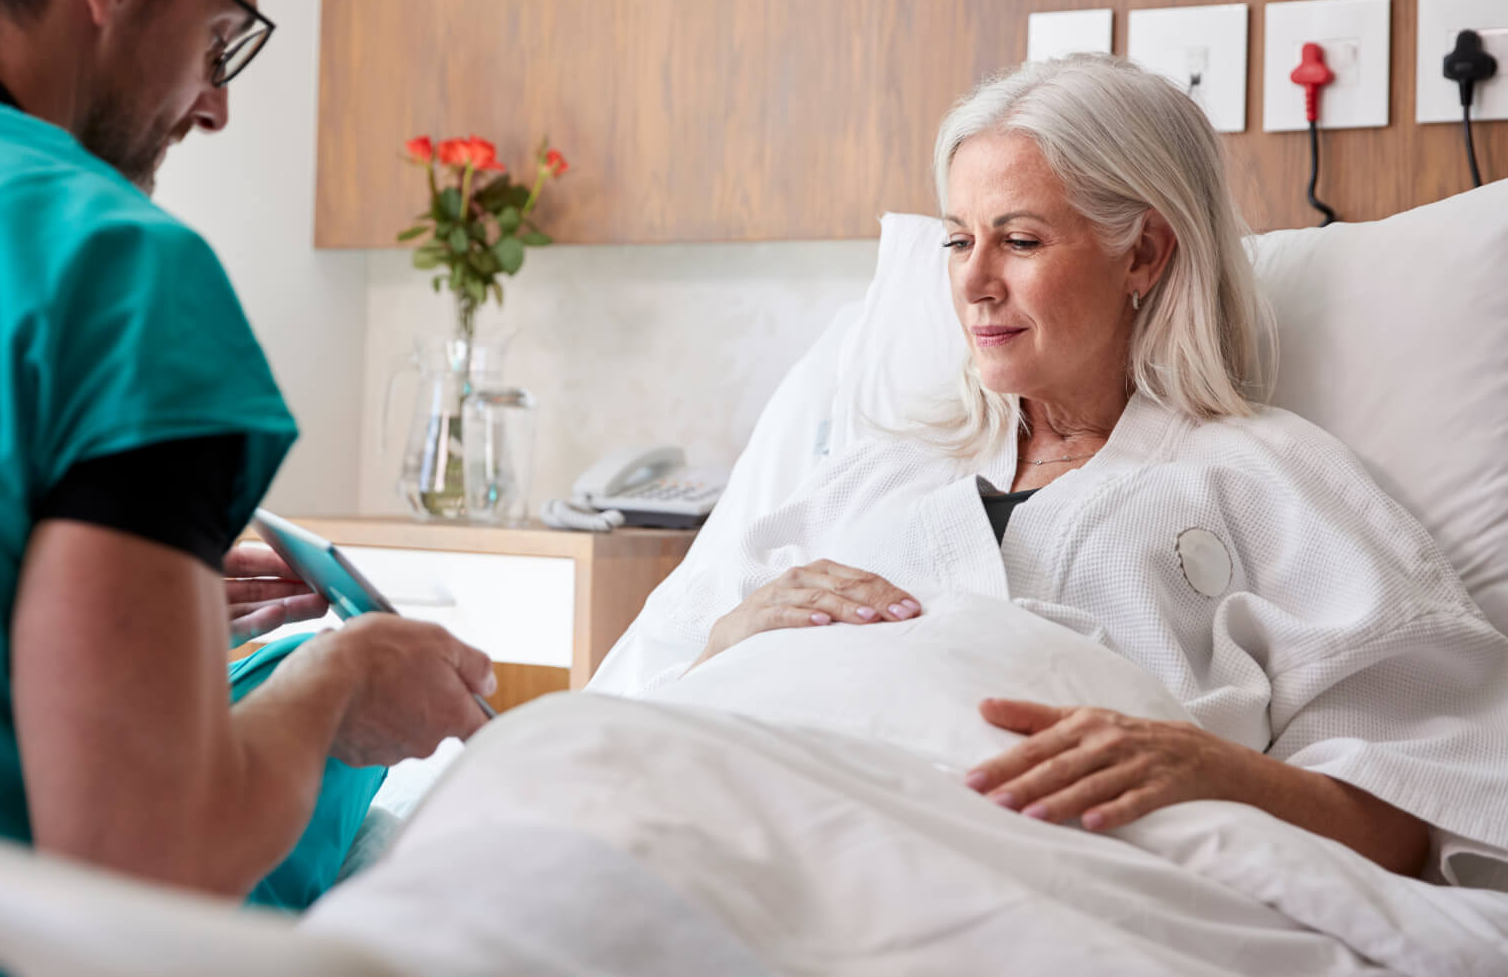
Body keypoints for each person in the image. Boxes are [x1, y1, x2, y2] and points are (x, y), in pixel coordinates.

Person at [0, 0, 492, 966]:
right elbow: (142, 865)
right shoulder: (117, 263)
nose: (215, 102)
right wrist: (344, 679)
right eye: (221, 37)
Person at [592, 54, 1508, 883]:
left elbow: (1409, 827)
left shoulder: (1266, 483)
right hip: (743, 854)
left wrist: (1209, 770)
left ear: (1143, 252)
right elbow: (632, 723)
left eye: (1020, 242)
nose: (973, 281)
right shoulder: (870, 478)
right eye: (958, 240)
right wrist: (732, 636)